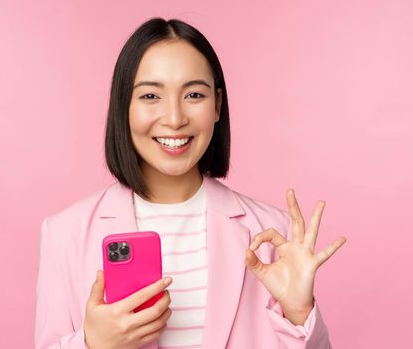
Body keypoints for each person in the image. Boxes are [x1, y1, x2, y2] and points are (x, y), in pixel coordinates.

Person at [34, 18, 346, 349]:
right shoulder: (65, 233)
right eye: (151, 95)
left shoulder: (271, 232)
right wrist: (91, 344)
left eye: (194, 94)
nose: (174, 118)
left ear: (217, 106)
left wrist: (299, 313)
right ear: (123, 106)